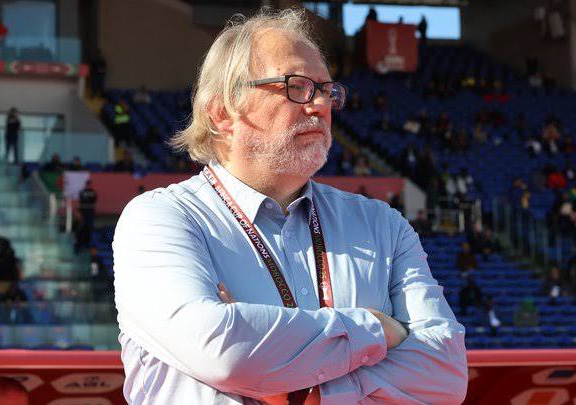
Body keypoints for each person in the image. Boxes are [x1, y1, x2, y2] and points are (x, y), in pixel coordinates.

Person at [114, 8, 466, 405]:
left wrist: (295, 382)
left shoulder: (382, 225)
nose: (320, 105)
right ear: (223, 112)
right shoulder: (159, 220)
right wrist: (378, 330)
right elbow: (225, 352)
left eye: (327, 90)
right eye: (297, 87)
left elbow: (446, 374)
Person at [77, 181, 98, 252]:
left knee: (89, 228)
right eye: (87, 185)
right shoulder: (82, 192)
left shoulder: (93, 192)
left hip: (90, 213)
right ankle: (81, 244)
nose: (88, 186)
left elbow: (93, 200)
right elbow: (82, 200)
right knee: (82, 228)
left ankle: (88, 244)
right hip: (83, 213)